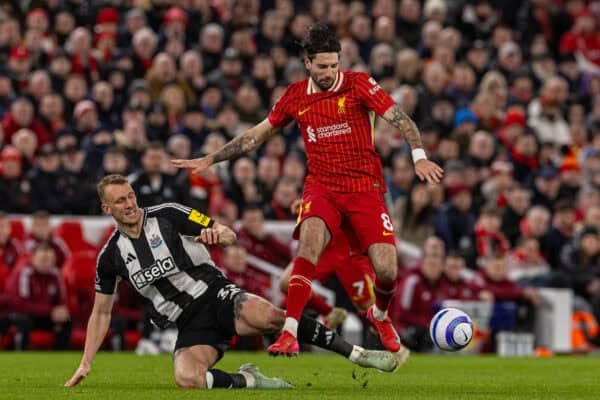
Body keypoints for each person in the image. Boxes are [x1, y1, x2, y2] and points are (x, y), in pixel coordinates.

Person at [172, 22, 443, 355]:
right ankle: (289, 333)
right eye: (323, 66)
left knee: (387, 271)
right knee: (307, 253)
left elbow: (402, 119)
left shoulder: (359, 85)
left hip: (364, 188)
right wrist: (211, 158)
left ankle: (381, 316)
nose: (329, 72)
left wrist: (418, 157)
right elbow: (255, 135)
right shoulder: (296, 96)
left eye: (334, 65)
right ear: (308, 64)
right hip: (322, 188)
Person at [65, 175, 406, 390]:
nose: (129, 204)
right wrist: (86, 363)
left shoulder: (168, 214)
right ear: (106, 208)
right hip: (187, 322)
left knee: (271, 316)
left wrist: (218, 235)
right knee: (187, 379)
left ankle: (359, 354)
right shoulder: (110, 257)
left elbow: (224, 231)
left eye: (130, 196)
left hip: (215, 294)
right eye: (120, 201)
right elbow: (100, 314)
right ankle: (249, 379)